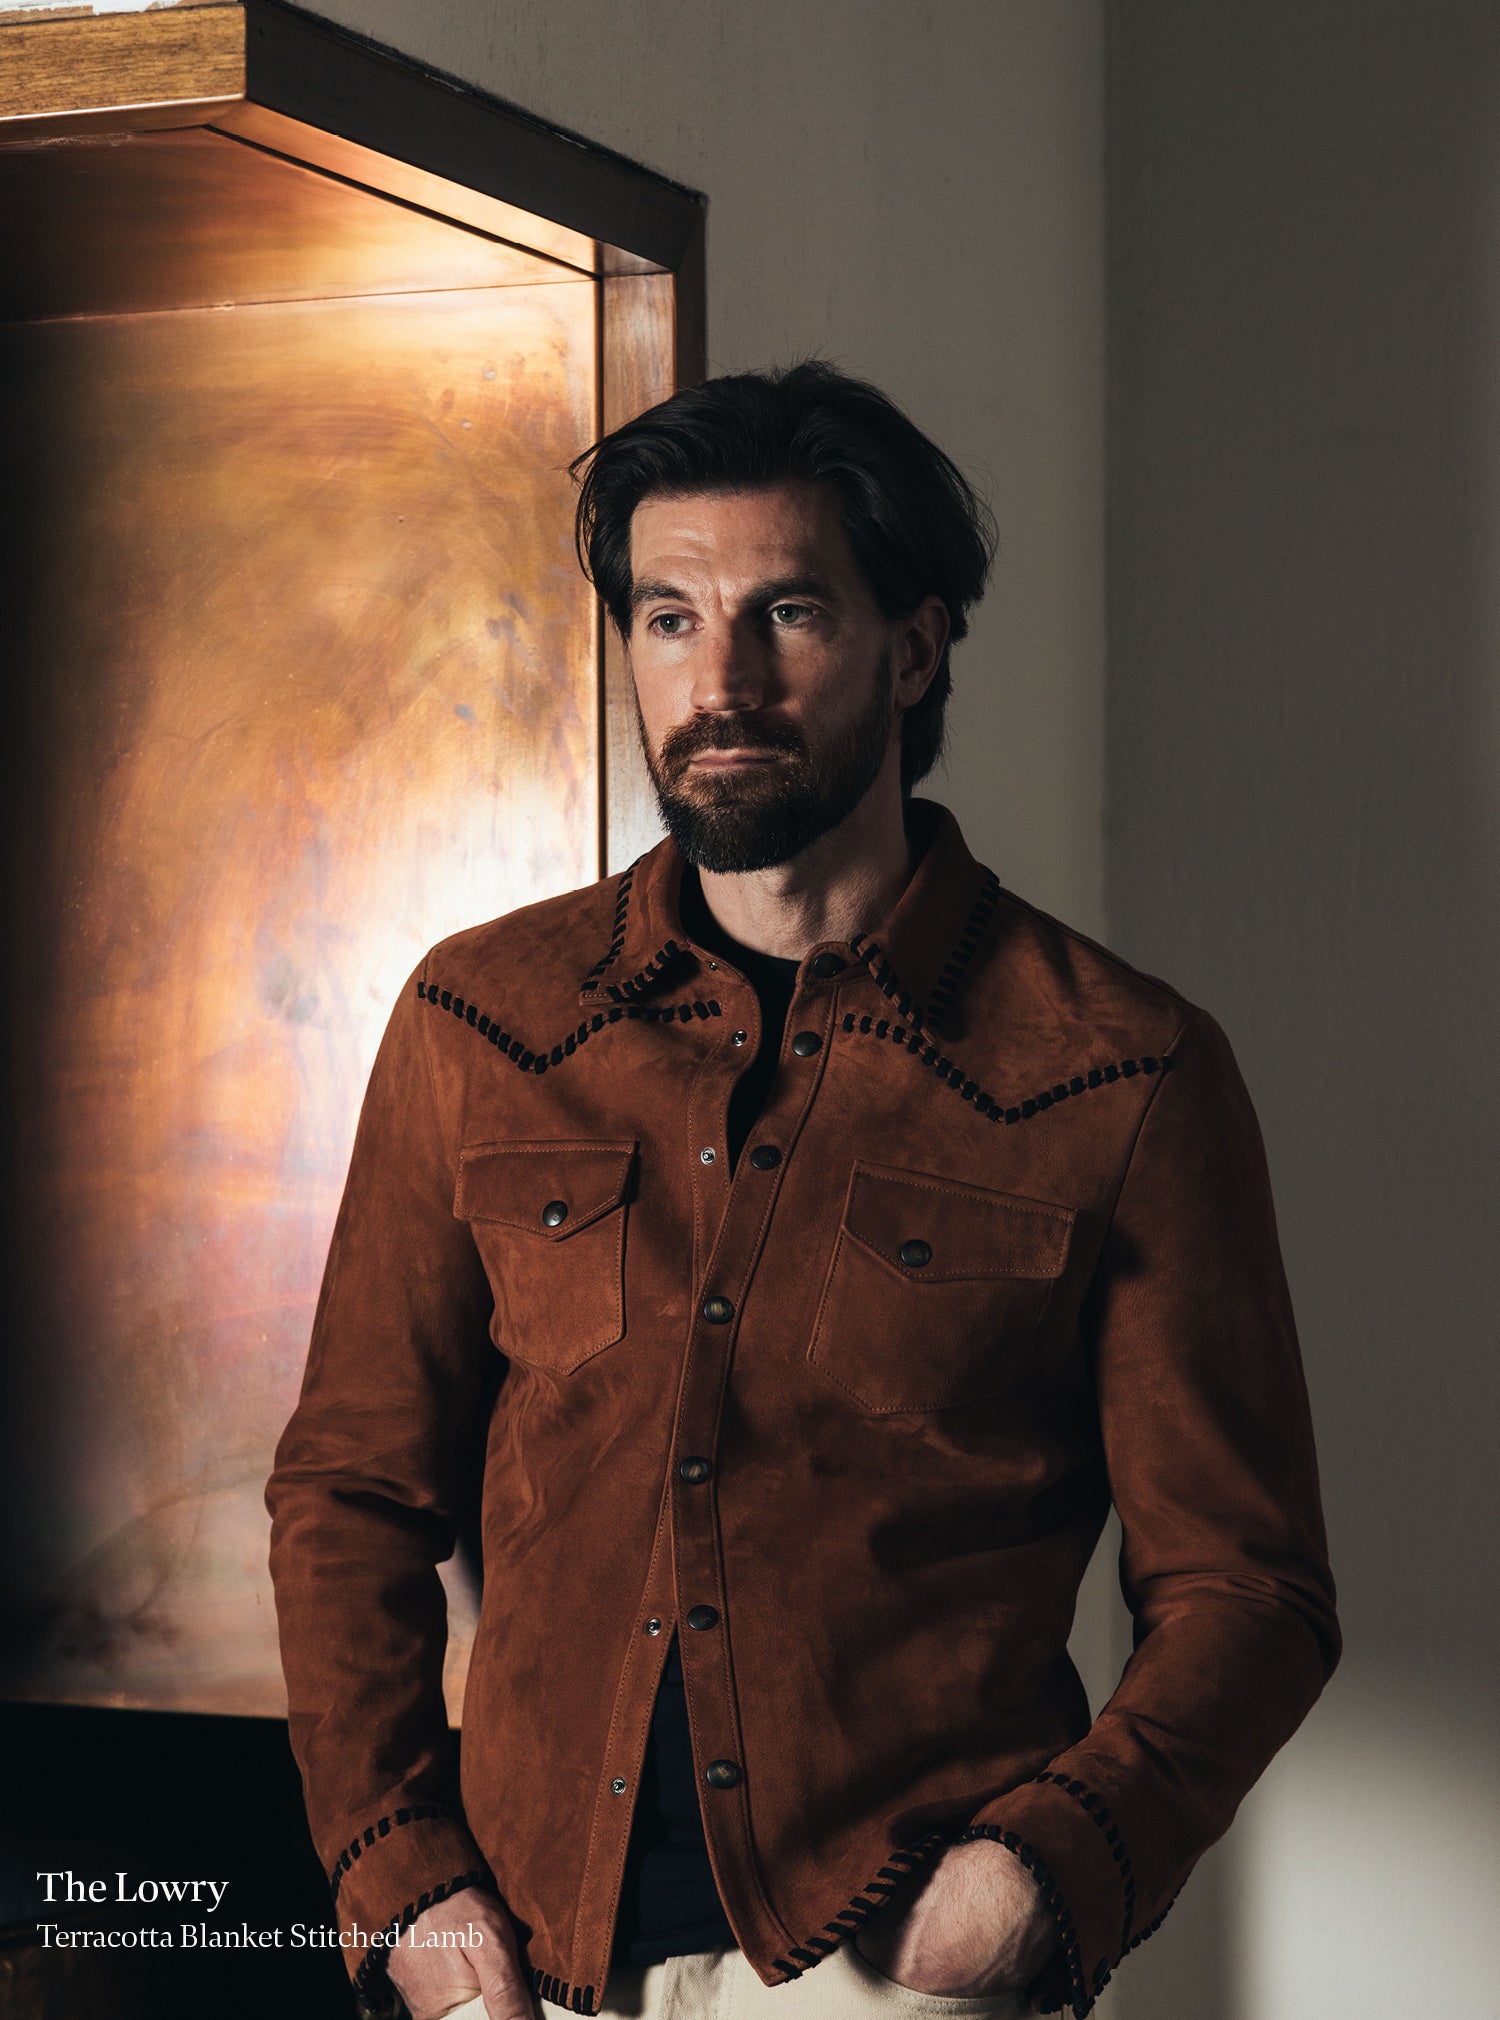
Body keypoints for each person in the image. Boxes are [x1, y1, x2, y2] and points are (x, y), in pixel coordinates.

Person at [266, 362, 1339, 2020]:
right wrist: (399, 1882)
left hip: (897, 1967)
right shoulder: (481, 1020)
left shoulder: (1122, 1071)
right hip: (526, 1966)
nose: (723, 678)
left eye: (789, 613)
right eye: (670, 617)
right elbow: (348, 1492)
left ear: (911, 652)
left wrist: (1038, 1879)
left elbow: (1247, 1590)